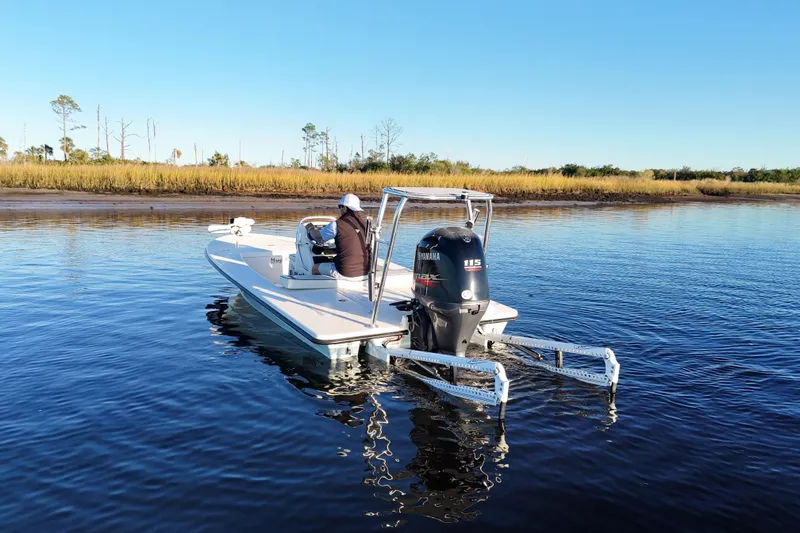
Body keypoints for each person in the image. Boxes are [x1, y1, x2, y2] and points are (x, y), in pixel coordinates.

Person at [309, 193, 371, 279]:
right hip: (365, 272)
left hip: (345, 272)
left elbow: (318, 236)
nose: (340, 209)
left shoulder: (336, 224)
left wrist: (311, 230)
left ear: (344, 208)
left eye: (340, 207)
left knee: (315, 268)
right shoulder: (365, 225)